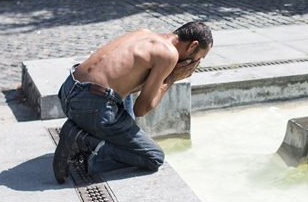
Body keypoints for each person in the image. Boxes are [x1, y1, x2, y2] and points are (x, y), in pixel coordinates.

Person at [52, 22, 213, 184]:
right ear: (193, 46)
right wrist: (171, 78)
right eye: (200, 58)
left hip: (68, 90)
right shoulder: (169, 54)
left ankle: (84, 133)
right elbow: (141, 109)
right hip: (92, 107)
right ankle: (82, 140)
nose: (196, 63)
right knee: (153, 157)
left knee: (125, 103)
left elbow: (127, 83)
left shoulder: (144, 32)